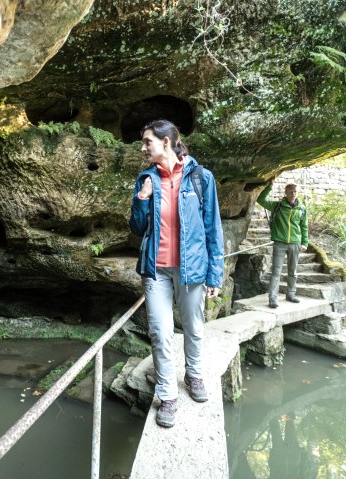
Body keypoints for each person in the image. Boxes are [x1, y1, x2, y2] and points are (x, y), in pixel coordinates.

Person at [128, 119, 224, 428]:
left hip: (192, 268)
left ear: (166, 142)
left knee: (194, 328)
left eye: (147, 142)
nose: (143, 148)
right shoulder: (146, 179)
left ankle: (194, 375)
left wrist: (215, 274)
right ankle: (167, 394)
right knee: (159, 331)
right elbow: (137, 228)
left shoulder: (200, 178)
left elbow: (213, 229)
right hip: (156, 270)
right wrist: (142, 199)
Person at [257, 180, 308, 308]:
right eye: (290, 191)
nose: (293, 193)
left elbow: (304, 227)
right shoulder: (277, 205)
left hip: (295, 243)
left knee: (293, 271)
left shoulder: (301, 208)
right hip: (280, 242)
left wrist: (304, 243)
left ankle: (291, 294)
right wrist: (269, 187)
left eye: (295, 191)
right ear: (285, 193)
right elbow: (260, 200)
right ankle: (272, 299)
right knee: (276, 272)